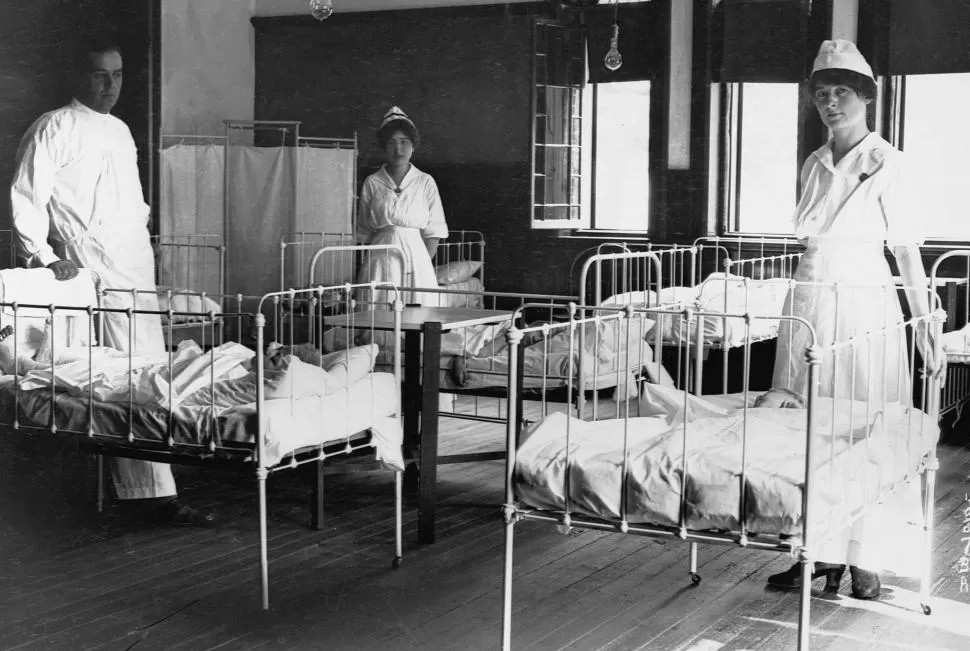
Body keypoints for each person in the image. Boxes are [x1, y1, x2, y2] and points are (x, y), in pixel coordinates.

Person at [9, 36, 215, 527]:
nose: (110, 85)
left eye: (118, 75)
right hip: (91, 264)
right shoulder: (54, 126)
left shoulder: (121, 130)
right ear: (80, 76)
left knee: (146, 367)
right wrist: (42, 256)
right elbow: (27, 196)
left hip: (133, 262)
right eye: (101, 75)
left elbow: (132, 203)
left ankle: (148, 486)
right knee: (124, 374)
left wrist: (146, 245)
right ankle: (150, 497)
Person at [766, 40, 943, 599]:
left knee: (866, 423)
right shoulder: (814, 164)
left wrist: (927, 328)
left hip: (864, 302)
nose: (830, 103)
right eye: (821, 94)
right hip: (808, 299)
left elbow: (908, 254)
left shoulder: (889, 163)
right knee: (802, 421)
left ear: (866, 97)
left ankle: (865, 556)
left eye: (842, 92)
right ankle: (811, 551)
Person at [356, 106, 448, 307]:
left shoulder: (425, 182)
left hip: (417, 257)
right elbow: (364, 229)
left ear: (413, 145)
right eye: (392, 143)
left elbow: (435, 231)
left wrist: (421, 264)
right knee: (379, 310)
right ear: (384, 147)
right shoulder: (373, 182)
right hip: (381, 257)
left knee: (417, 311)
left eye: (404, 142)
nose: (398, 150)